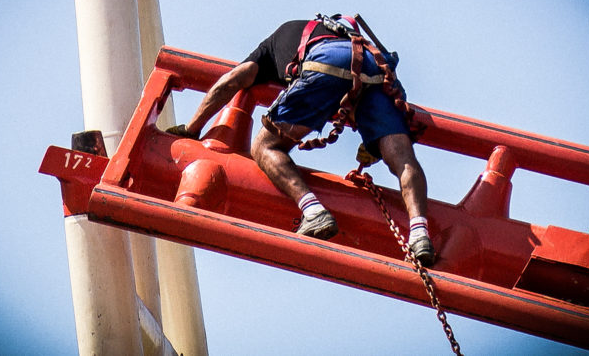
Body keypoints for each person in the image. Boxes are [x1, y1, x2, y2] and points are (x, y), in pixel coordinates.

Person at [168, 16, 435, 266]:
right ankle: (420, 233)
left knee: (265, 146)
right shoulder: (347, 35)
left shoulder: (275, 43)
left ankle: (313, 211)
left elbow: (234, 80)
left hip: (327, 61)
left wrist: (191, 129)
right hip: (374, 67)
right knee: (402, 158)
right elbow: (355, 86)